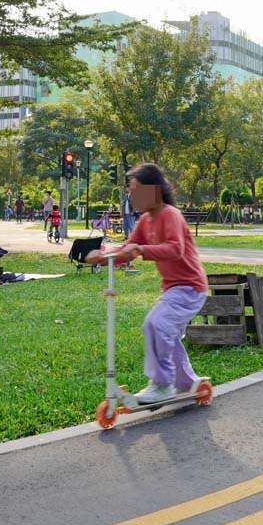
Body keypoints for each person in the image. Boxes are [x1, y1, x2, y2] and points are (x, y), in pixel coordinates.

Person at [86, 163, 206, 404]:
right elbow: (126, 249)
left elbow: (175, 249)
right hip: (173, 288)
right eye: (131, 190)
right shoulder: (144, 221)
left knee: (156, 324)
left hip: (190, 286)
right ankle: (188, 383)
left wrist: (141, 249)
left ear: (154, 190)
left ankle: (162, 385)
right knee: (166, 333)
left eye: (137, 189)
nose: (133, 195)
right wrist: (102, 256)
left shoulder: (170, 215)